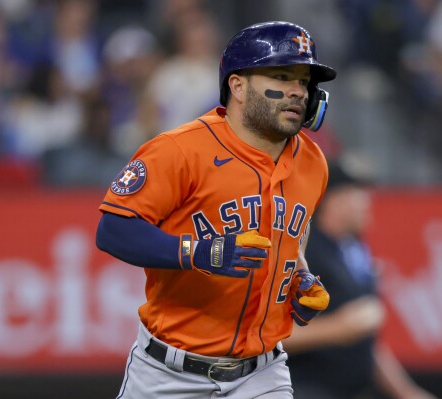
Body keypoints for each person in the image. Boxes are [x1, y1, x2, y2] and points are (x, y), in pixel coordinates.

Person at [95, 21, 336, 398]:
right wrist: (198, 252)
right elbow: (113, 229)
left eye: (304, 81)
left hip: (262, 373)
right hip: (168, 372)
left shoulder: (313, 162)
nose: (297, 92)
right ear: (237, 86)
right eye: (282, 75)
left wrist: (298, 277)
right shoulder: (179, 150)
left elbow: (294, 229)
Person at [284, 162, 437, 399]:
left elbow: (366, 340)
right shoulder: (305, 252)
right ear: (333, 200)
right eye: (358, 193)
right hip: (307, 388)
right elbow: (272, 337)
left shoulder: (354, 250)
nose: (368, 202)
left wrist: (405, 392)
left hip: (355, 390)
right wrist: (338, 326)